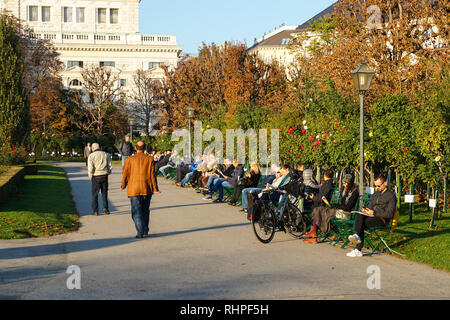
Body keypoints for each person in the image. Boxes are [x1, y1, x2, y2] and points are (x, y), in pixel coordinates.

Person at [346, 174, 396, 257]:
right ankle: (357, 237)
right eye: (375, 186)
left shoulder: (391, 196)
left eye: (379, 186)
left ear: (385, 183)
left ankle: (358, 247)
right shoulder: (376, 194)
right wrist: (366, 210)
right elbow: (370, 205)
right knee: (359, 215)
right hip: (371, 216)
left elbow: (390, 214)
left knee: (361, 223)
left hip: (381, 219)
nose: (377, 188)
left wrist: (374, 213)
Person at [121, 140, 161, 238]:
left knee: (136, 211)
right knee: (145, 210)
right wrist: (155, 188)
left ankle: (140, 231)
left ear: (135, 148)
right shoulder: (150, 159)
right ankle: (145, 229)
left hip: (133, 189)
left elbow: (125, 174)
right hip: (146, 188)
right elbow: (152, 175)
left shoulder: (129, 160)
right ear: (145, 148)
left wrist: (123, 185)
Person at [303, 174, 359, 244]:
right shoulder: (345, 190)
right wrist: (334, 205)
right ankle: (313, 232)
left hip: (345, 213)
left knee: (324, 211)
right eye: (343, 183)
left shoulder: (354, 192)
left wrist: (336, 206)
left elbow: (348, 207)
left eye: (345, 183)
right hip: (339, 210)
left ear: (350, 183)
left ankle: (314, 235)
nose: (344, 185)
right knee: (318, 209)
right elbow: (342, 204)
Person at [87, 143, 112, 216]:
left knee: (95, 194)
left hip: (96, 175)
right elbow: (109, 165)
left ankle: (95, 211)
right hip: (104, 175)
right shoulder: (105, 154)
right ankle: (106, 208)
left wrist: (91, 176)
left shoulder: (91, 156)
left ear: (93, 148)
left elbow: (90, 168)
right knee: (104, 193)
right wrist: (108, 172)